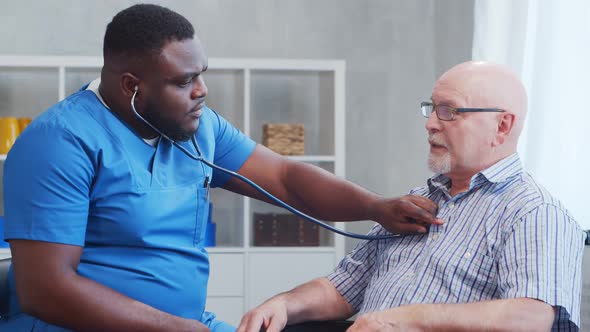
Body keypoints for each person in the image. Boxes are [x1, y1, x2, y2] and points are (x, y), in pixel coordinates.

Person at [0, 4, 442, 332]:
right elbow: (46, 290)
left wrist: (376, 206)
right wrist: (177, 329)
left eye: (201, 74)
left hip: (188, 324)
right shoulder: (60, 142)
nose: (201, 91)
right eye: (183, 81)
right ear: (131, 86)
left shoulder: (197, 128)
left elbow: (286, 179)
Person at [237, 61, 587, 332]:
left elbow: (530, 317)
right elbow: (342, 289)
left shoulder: (535, 212)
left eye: (449, 111)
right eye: (431, 108)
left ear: (503, 126)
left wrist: (410, 319)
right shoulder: (416, 201)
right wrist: (285, 304)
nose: (431, 123)